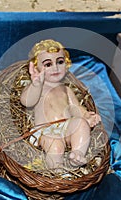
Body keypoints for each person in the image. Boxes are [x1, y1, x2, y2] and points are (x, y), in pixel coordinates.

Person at [20, 39, 101, 169]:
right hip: (46, 130)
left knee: (81, 124)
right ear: (36, 68)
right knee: (56, 148)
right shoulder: (38, 87)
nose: (55, 68)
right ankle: (56, 170)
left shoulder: (66, 89)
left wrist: (86, 115)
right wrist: (35, 83)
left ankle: (77, 154)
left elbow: (76, 107)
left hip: (67, 126)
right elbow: (26, 101)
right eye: (48, 64)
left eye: (60, 62)